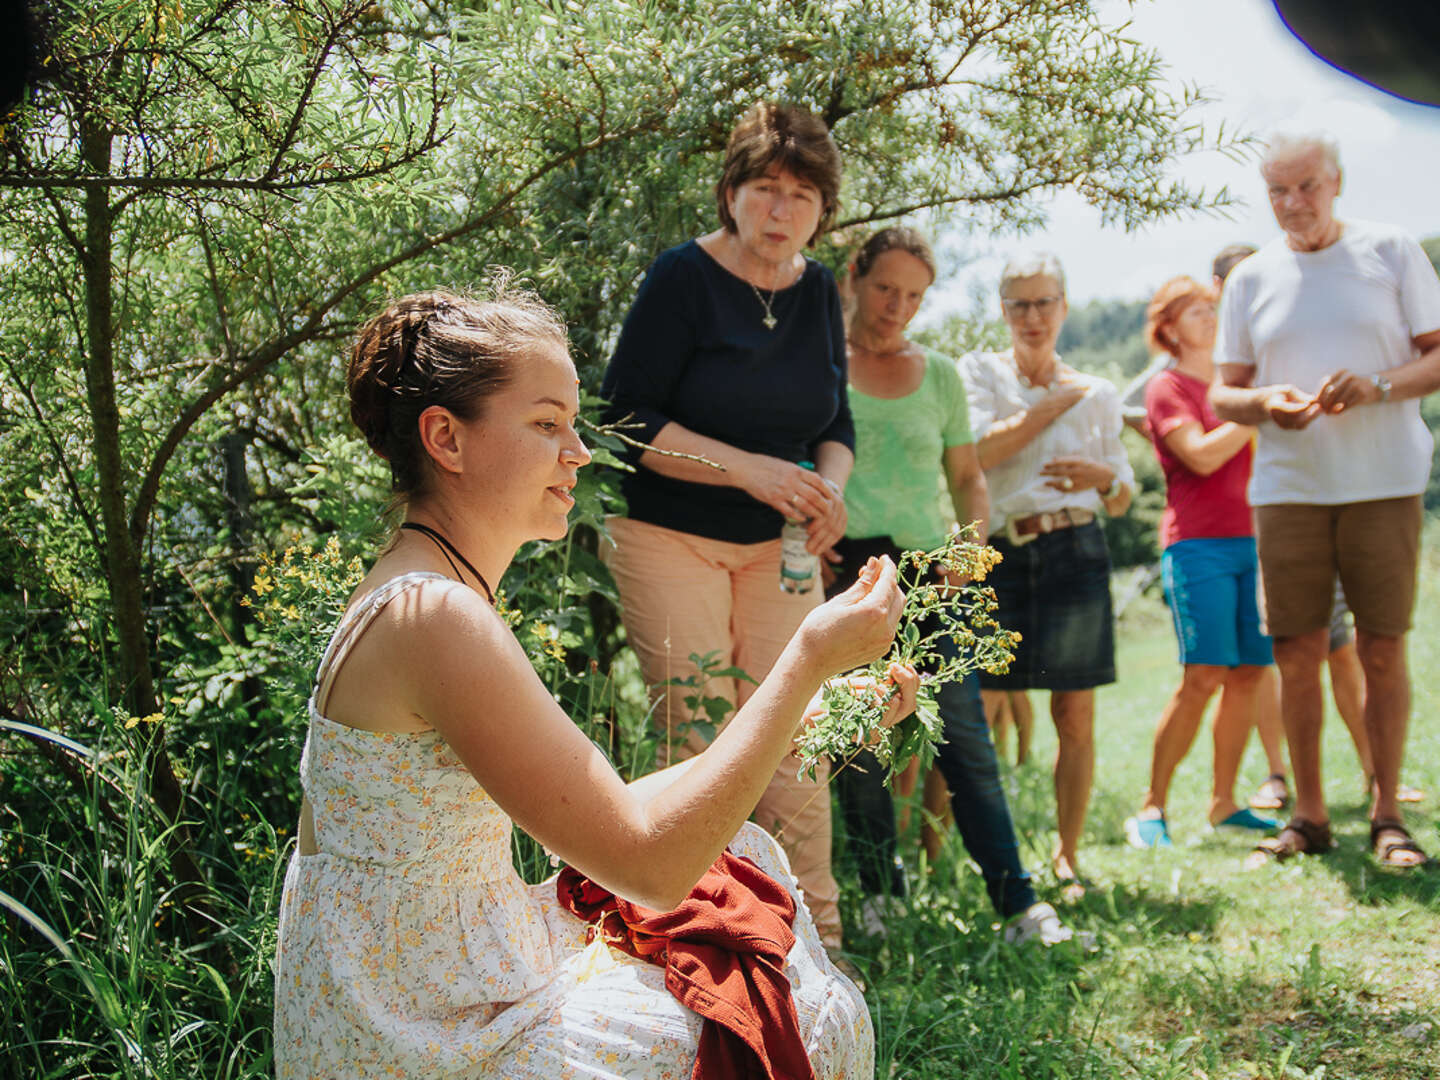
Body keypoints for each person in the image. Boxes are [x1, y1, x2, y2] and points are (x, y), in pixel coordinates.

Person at [272, 286, 917, 1077]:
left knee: (740, 877)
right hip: (414, 1029)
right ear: (446, 437)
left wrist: (808, 714)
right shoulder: (435, 616)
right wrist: (808, 654)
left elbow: (610, 814)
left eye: (573, 425)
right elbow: (647, 862)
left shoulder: (430, 590)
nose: (577, 451)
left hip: (434, 978)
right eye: (547, 424)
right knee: (803, 1017)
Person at [600, 102, 854, 947]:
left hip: (780, 552)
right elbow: (626, 422)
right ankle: (702, 940)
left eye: (803, 195)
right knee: (701, 732)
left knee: (797, 738)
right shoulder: (682, 277)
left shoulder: (819, 290)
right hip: (670, 538)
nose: (783, 210)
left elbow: (835, 425)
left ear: (824, 209)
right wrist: (751, 470)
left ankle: (819, 945)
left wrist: (830, 491)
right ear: (731, 194)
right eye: (766, 189)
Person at [827, 227, 1070, 946]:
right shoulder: (821, 363)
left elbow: (967, 477)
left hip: (931, 574)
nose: (897, 306)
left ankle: (1018, 904)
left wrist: (970, 551)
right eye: (885, 289)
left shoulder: (937, 374)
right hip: (849, 575)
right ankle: (876, 889)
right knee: (864, 737)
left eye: (914, 295)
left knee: (965, 741)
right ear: (854, 279)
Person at [1211, 132, 1440, 869]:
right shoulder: (1250, 277)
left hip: (1384, 480)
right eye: (1278, 191)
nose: (1293, 204)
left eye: (1306, 186)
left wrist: (1377, 386)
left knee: (1379, 647)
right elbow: (1223, 392)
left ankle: (1387, 813)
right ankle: (1308, 815)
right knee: (1298, 652)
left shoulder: (1392, 249)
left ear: (1336, 181)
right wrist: (1262, 403)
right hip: (1289, 489)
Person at [960, 252, 1134, 898]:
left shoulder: (1100, 392)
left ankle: (1067, 856)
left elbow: (1121, 493)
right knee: (972, 713)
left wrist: (1105, 477)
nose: (1033, 317)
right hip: (997, 552)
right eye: (1019, 304)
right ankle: (947, 860)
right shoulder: (977, 374)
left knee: (1075, 713)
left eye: (1045, 302)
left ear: (1064, 306)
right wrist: (1049, 407)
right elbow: (975, 452)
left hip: (1076, 551)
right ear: (1003, 311)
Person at [1122, 276, 1277, 848]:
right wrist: (1259, 411)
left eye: (1214, 309)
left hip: (1256, 544)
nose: (1210, 318)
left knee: (1250, 674)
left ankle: (1224, 803)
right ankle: (1151, 807)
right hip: (1197, 548)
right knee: (1204, 675)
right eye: (1196, 311)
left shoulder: (1239, 385)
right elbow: (1203, 457)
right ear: (1168, 327)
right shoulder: (1167, 388)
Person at [1119, 244, 1258, 434]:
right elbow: (1126, 407)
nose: (1252, 290)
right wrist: (1168, 439)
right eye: (1241, 281)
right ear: (1218, 285)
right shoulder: (1194, 350)